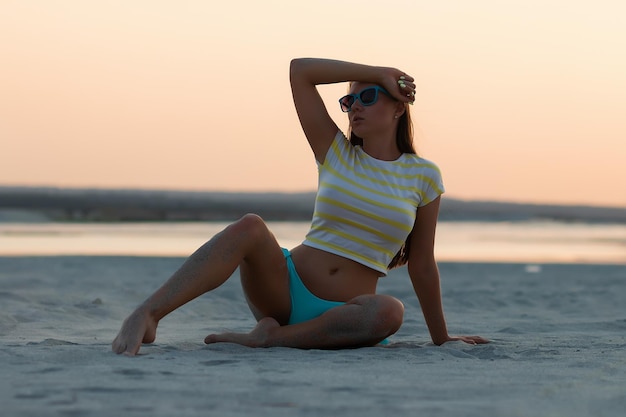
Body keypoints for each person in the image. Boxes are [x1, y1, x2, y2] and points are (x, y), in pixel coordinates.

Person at [112, 58, 489, 356]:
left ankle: (270, 340)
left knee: (389, 311)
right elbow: (300, 71)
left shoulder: (423, 175)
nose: (355, 106)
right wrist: (374, 74)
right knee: (250, 226)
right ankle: (147, 313)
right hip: (283, 290)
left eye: (369, 96)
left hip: (344, 316)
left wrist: (442, 339)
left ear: (398, 107)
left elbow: (422, 263)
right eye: (348, 100)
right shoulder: (336, 152)